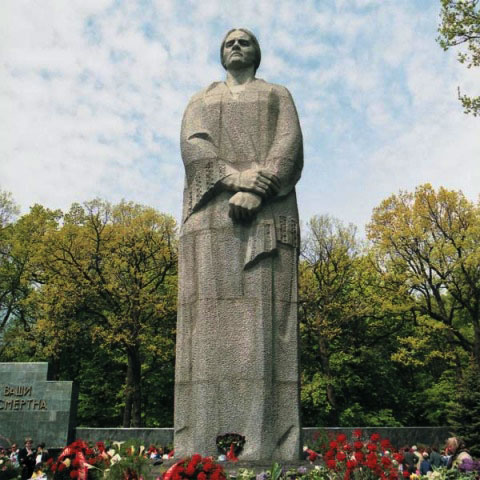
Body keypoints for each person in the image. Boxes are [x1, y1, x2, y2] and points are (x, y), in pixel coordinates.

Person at [174, 28, 303, 461]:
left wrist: (258, 190)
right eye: (228, 40)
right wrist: (236, 179)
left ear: (258, 53)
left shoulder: (277, 95)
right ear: (220, 52)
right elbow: (194, 147)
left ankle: (268, 445)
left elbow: (289, 145)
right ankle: (199, 443)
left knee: (267, 327)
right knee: (204, 323)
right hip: (210, 218)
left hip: (266, 213)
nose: (235, 44)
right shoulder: (201, 99)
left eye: (244, 40)